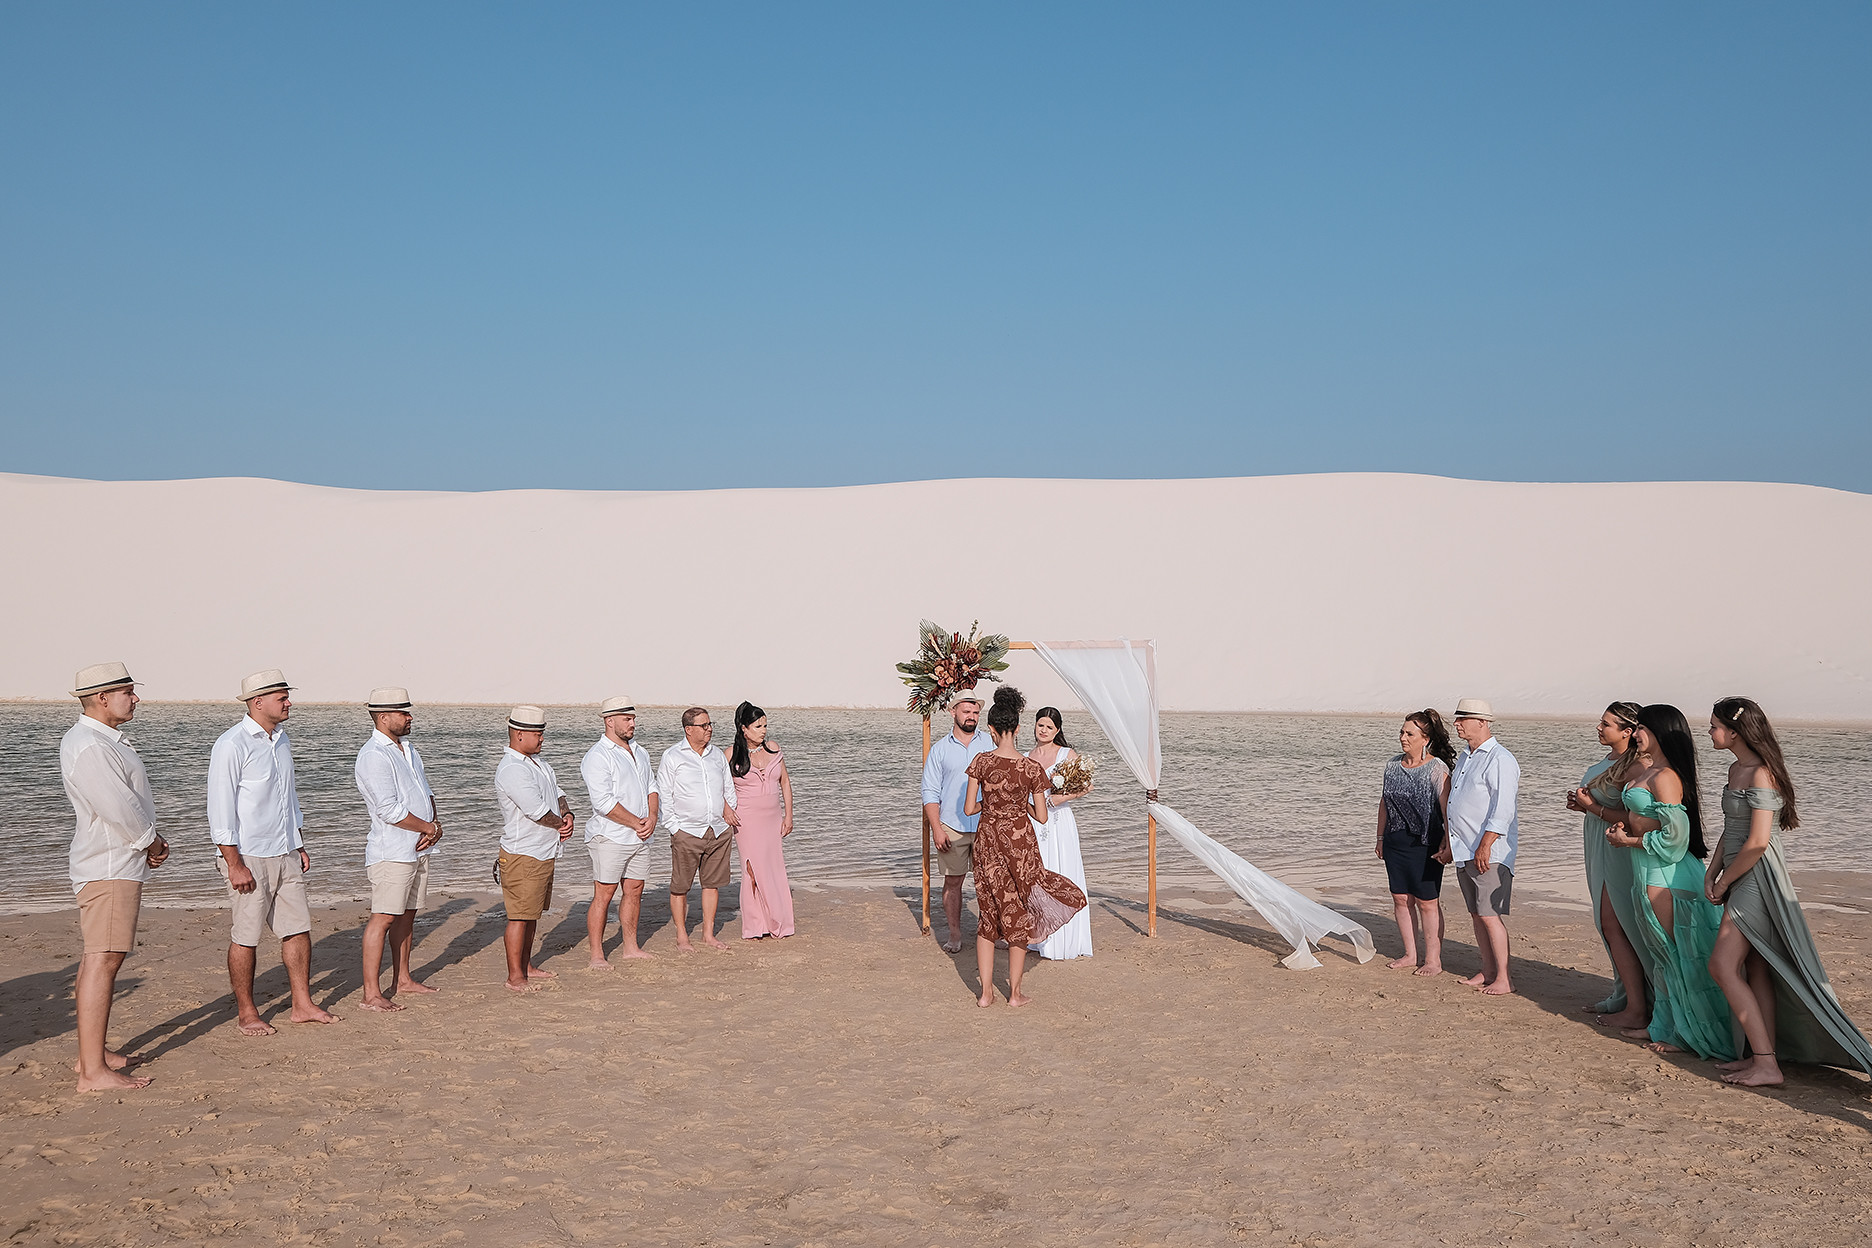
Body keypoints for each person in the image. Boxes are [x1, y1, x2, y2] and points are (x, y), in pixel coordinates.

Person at [1704, 696, 1872, 1086]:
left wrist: (1727, 880)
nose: (1709, 732)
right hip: (1737, 872)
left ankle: (1766, 1063)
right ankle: (1763, 1056)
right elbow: (1732, 831)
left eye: (1714, 725)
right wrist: (1711, 872)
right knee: (1758, 966)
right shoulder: (1735, 769)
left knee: (1722, 965)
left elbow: (1759, 841)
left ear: (1734, 731)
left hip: (1758, 877)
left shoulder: (1763, 774)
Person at [209, 669, 339, 1034]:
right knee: (246, 936)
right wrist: (233, 863)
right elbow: (220, 811)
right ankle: (247, 1013)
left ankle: (302, 1004)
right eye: (282, 697)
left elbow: (288, 798)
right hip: (248, 855)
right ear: (257, 702)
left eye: (287, 696)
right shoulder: (232, 744)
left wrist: (298, 843)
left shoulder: (280, 740)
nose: (288, 702)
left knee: (298, 929)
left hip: (285, 852)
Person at [59, 661, 170, 1091]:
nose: (135, 698)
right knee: (104, 959)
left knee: (99, 958)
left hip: (114, 863)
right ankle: (92, 1071)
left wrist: (148, 842)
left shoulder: (101, 741)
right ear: (102, 697)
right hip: (107, 866)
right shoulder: (89, 745)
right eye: (128, 691)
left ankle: (94, 1053)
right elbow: (118, 806)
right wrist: (151, 842)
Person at [1604, 704, 1734, 1060]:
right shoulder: (1651, 770)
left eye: (1642, 727)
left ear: (1659, 732)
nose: (1636, 734)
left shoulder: (1665, 777)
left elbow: (1676, 840)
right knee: (1661, 953)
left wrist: (1629, 840)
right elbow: (1650, 821)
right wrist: (1627, 828)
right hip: (1645, 869)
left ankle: (1686, 1032)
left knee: (1679, 953)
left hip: (1666, 874)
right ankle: (1663, 1023)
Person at [962, 687, 1087, 1008]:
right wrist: (1021, 805)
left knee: (988, 916)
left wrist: (991, 802)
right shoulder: (1031, 768)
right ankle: (1015, 994)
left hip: (988, 843)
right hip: (1021, 845)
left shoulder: (980, 761)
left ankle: (986, 993)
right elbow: (1042, 816)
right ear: (1018, 729)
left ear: (991, 729)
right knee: (1017, 912)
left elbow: (968, 810)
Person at [1565, 702, 1655, 1029]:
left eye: (1606, 724)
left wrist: (1593, 807)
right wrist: (1584, 807)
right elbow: (1598, 805)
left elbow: (1638, 819)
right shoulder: (1610, 761)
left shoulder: (1638, 766)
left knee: (1614, 924)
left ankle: (1637, 1005)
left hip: (1618, 851)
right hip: (1596, 844)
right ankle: (1625, 994)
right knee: (1608, 924)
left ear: (1627, 732)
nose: (1599, 728)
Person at [352, 687, 443, 1011]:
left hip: (417, 847)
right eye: (404, 713)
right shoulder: (374, 755)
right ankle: (370, 994)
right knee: (383, 918)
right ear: (384, 717)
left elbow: (425, 791)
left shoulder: (408, 749)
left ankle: (402, 980)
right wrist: (427, 827)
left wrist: (435, 826)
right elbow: (388, 809)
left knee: (408, 915)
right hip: (391, 851)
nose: (410, 717)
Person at [494, 705, 575, 991]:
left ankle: (526, 965)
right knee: (519, 916)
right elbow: (536, 810)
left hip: (542, 850)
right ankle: (514, 976)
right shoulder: (512, 768)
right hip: (522, 853)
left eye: (542, 733)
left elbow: (558, 794)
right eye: (537, 734)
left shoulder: (539, 764)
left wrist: (568, 815)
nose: (542, 739)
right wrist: (560, 824)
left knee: (531, 915)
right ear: (518, 735)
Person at [1446, 699, 1520, 996]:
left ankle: (1504, 977)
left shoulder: (1500, 759)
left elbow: (1503, 810)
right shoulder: (1467, 757)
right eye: (1457, 719)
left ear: (1483, 722)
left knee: (1489, 913)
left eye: (1463, 718)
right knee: (1477, 913)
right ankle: (1488, 970)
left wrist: (1485, 845)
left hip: (1489, 851)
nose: (1457, 724)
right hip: (1464, 847)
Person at [580, 695, 660, 966]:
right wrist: (635, 822)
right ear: (609, 721)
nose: (633, 723)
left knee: (635, 889)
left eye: (634, 718)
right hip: (610, 836)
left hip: (640, 835)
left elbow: (652, 786)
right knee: (604, 894)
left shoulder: (640, 751)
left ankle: (630, 947)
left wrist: (651, 816)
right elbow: (602, 802)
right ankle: (596, 954)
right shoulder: (597, 756)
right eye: (627, 719)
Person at [1373, 709, 1453, 975]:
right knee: (1400, 898)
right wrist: (1380, 837)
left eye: (1409, 733)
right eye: (1402, 732)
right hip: (1395, 841)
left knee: (1427, 901)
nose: (1403, 737)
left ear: (1425, 739)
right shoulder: (1392, 765)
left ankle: (1433, 960)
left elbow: (1446, 811)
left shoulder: (1437, 768)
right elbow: (1384, 802)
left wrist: (1449, 843)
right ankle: (1410, 954)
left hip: (1426, 843)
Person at [657, 707, 741, 951]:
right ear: (688, 729)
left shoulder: (716, 755)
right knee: (680, 886)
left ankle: (708, 934)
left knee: (711, 884)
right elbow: (665, 794)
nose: (709, 729)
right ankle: (682, 936)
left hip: (717, 830)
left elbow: (728, 788)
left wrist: (727, 813)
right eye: (703, 725)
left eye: (710, 724)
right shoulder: (673, 756)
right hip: (687, 832)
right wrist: (675, 828)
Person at [919, 689, 995, 953]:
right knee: (954, 882)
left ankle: (992, 932)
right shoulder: (939, 750)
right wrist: (937, 830)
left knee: (991, 882)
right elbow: (929, 792)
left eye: (975, 712)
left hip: (987, 824)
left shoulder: (990, 744)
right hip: (952, 826)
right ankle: (954, 933)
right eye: (966, 711)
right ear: (953, 713)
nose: (972, 716)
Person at [1026, 707, 1092, 960]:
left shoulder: (1066, 754)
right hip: (1033, 821)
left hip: (1059, 821)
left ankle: (1063, 940)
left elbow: (1087, 786)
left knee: (1060, 871)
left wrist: (1058, 799)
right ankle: (1037, 938)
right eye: (1040, 725)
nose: (1043, 731)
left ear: (1057, 730)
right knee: (1036, 876)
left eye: (1049, 727)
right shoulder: (1025, 755)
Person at [729, 701, 795, 939]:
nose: (764, 730)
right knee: (752, 870)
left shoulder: (774, 748)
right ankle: (756, 925)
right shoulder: (730, 754)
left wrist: (789, 815)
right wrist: (726, 809)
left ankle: (779, 921)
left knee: (773, 868)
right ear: (744, 729)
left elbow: (785, 782)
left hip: (772, 818)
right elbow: (717, 788)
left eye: (765, 725)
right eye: (758, 726)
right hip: (746, 821)